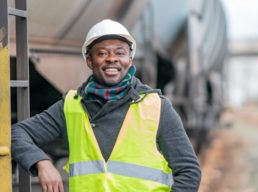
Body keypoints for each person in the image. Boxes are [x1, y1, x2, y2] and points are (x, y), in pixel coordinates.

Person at [12, 19, 201, 192]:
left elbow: (189, 171)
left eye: (120, 52)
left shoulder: (157, 107)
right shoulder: (71, 106)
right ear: (89, 61)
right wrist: (41, 162)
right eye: (102, 53)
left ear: (130, 59)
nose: (112, 58)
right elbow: (17, 133)